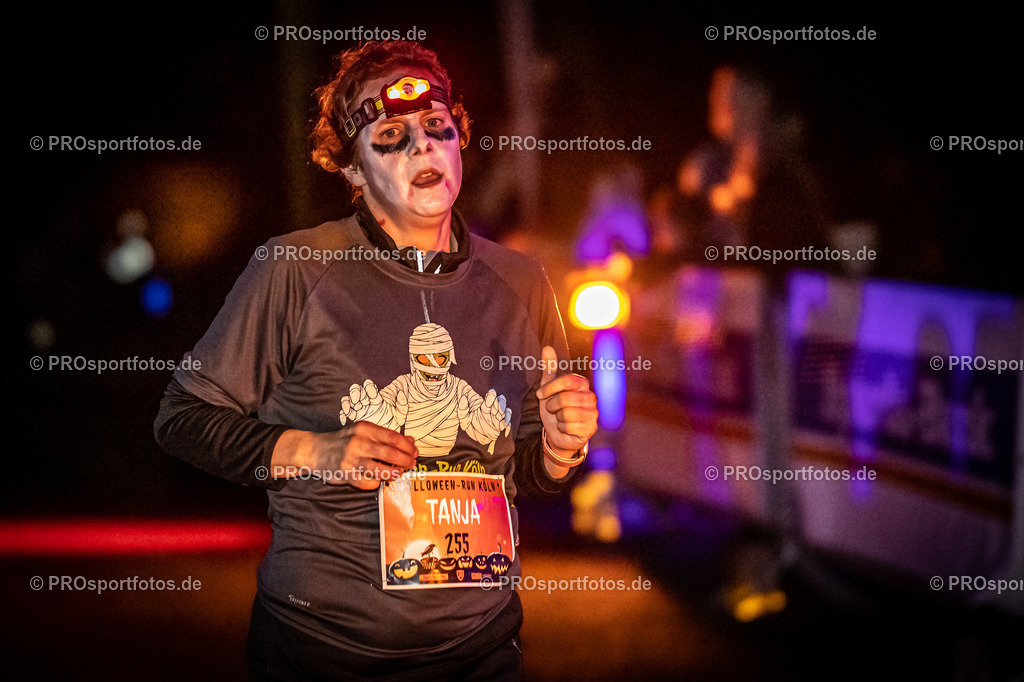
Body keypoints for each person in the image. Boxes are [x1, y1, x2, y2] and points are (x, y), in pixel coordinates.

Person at [154, 40, 598, 681]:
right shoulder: (295, 269)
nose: (423, 146)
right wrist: (316, 452)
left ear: (458, 142)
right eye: (391, 134)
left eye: (436, 128)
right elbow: (181, 418)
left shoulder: (522, 279)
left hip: (482, 648)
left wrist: (559, 450)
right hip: (322, 649)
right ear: (354, 170)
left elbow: (523, 470)